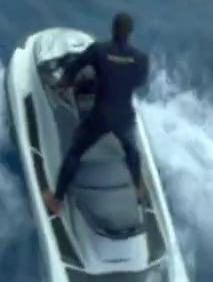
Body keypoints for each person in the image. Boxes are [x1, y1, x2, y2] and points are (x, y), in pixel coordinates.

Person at [42, 12, 149, 216]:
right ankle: (138, 188)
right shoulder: (141, 59)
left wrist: (62, 84)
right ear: (130, 33)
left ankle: (56, 200)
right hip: (124, 116)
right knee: (131, 150)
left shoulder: (99, 50)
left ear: (113, 29)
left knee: (75, 152)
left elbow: (75, 67)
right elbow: (138, 81)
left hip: (101, 117)